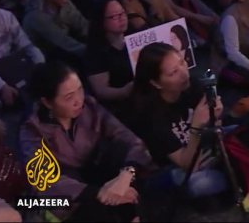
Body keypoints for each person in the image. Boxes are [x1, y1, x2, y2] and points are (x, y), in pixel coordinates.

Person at [20, 61, 158, 221]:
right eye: (69, 97)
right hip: (63, 195)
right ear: (47, 102)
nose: (78, 100)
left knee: (122, 155)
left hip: (97, 176)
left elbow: (130, 140)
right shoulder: (32, 129)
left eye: (79, 90)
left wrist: (126, 176)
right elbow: (43, 180)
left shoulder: (89, 106)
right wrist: (99, 193)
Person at [130, 43, 227, 199]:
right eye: (173, 72)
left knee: (240, 136)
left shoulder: (191, 85)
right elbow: (188, 164)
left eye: (182, 62)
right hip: (170, 168)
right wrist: (196, 126)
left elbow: (217, 133)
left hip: (202, 152)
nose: (184, 74)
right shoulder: (151, 115)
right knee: (201, 184)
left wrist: (215, 117)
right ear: (156, 83)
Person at [22, 0, 89, 61]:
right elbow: (62, 41)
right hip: (40, 58)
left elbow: (82, 24)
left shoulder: (65, 3)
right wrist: (92, 52)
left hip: (60, 51)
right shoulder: (36, 15)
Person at [85, 0, 134, 118]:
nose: (122, 18)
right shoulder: (95, 52)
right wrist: (124, 91)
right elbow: (101, 91)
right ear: (101, 21)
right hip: (120, 107)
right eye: (114, 16)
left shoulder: (135, 36)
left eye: (122, 13)